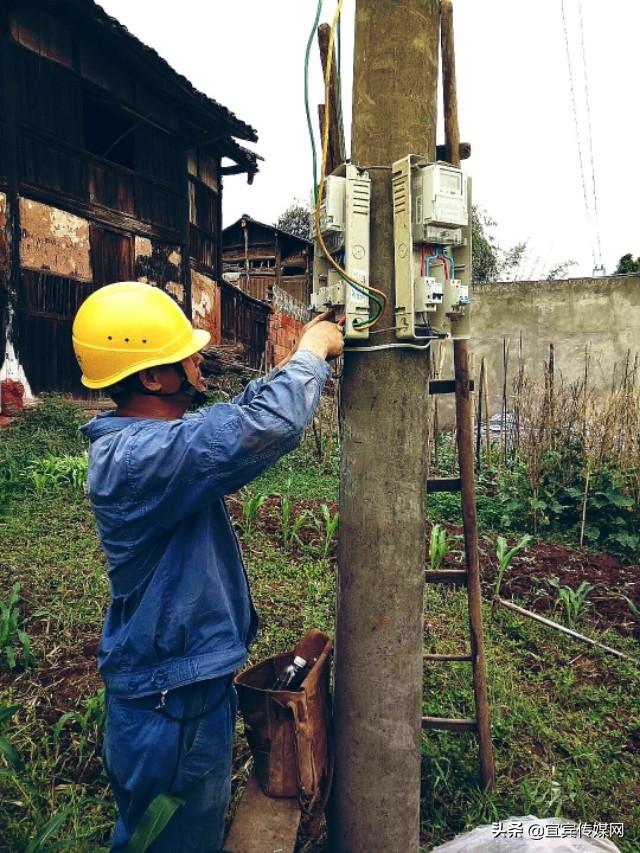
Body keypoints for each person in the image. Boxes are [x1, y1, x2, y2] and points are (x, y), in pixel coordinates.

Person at [72, 281, 343, 852]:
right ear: (152, 377)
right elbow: (260, 427)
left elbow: (233, 417)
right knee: (173, 842)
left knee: (167, 832)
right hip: (173, 708)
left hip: (178, 693)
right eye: (185, 353)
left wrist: (300, 352)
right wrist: (312, 352)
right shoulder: (142, 458)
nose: (198, 359)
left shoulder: (149, 443)